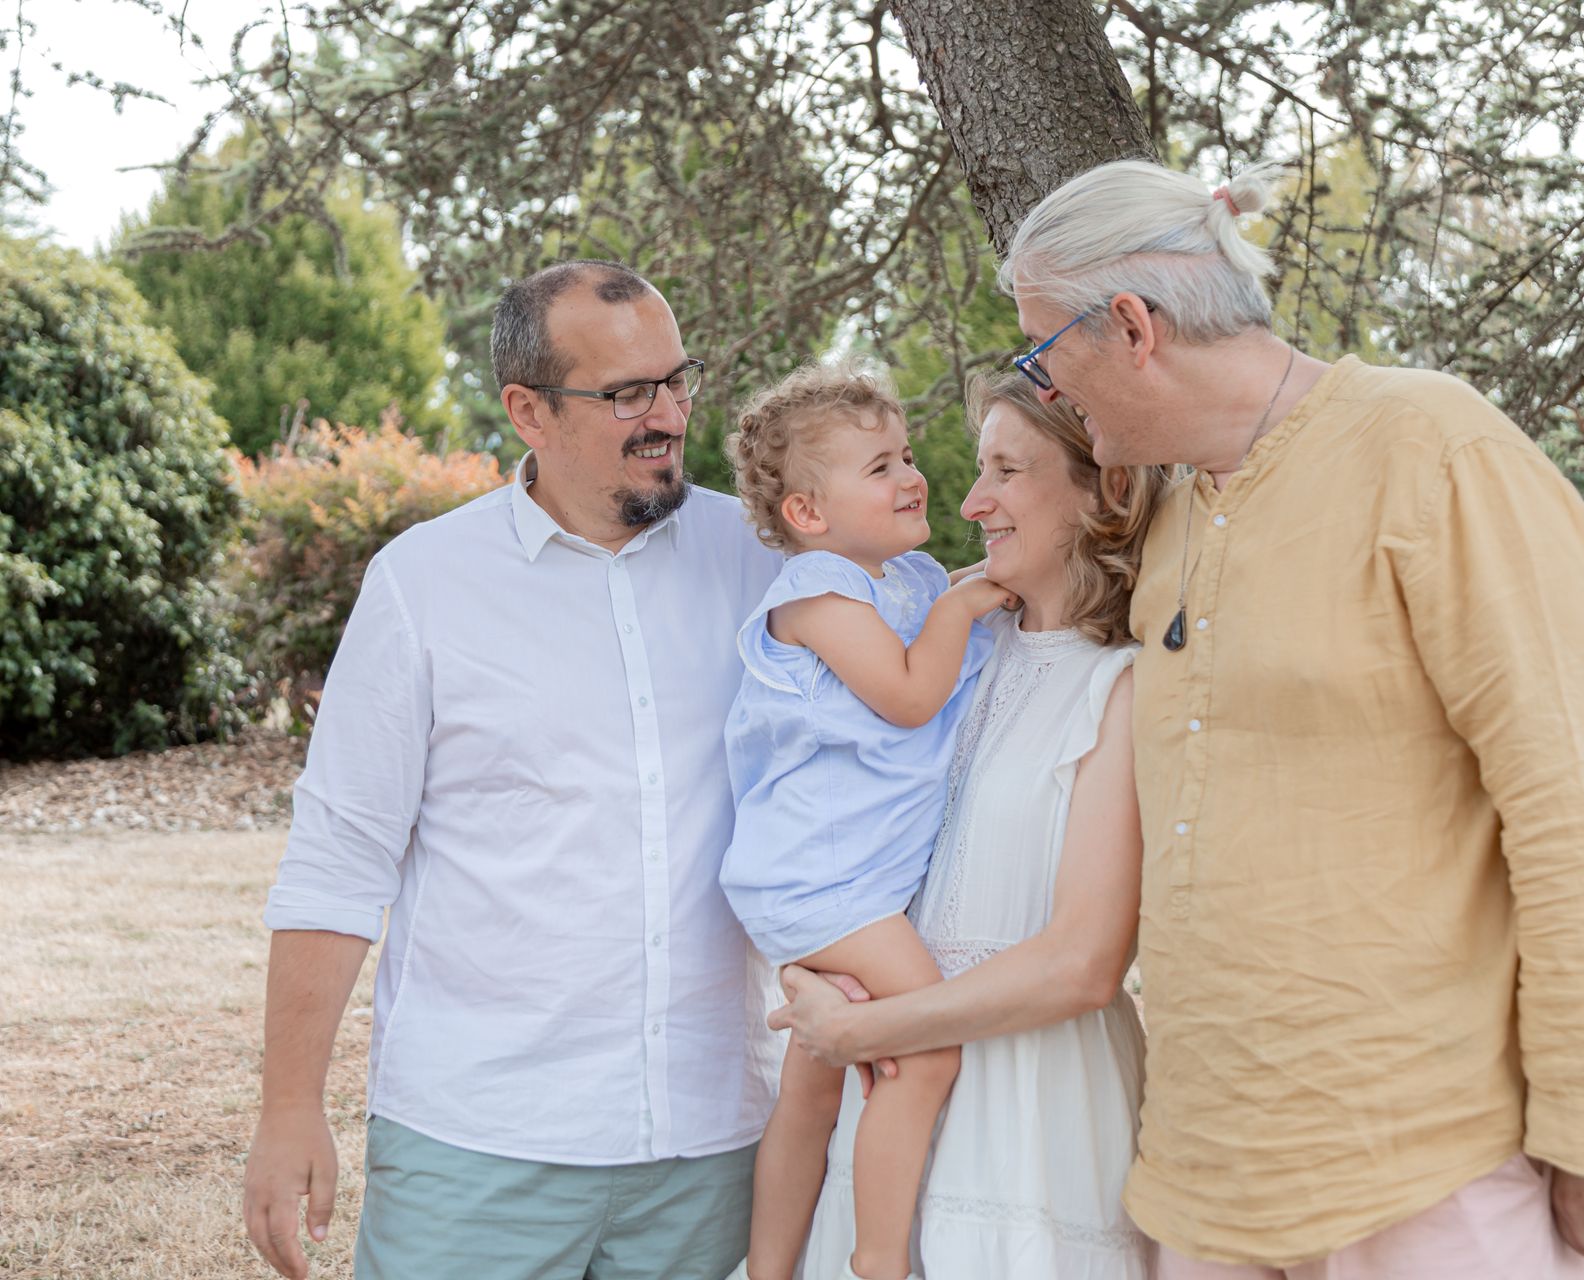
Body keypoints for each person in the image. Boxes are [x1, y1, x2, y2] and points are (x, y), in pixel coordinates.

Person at [997, 159, 1584, 1278]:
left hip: (1422, 1170)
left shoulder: (1436, 450)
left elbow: (1577, 809)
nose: (1045, 387)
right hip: (1203, 1181)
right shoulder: (1170, 510)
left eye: (1042, 353)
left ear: (1131, 326)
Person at [242, 260, 784, 1280]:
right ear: (527, 410)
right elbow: (340, 858)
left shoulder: (763, 559)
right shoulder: (422, 586)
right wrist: (287, 1108)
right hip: (476, 1146)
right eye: (627, 393)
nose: (667, 414)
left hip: (712, 1139)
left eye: (677, 379)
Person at [772, 371, 1172, 1279]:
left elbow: (1084, 964)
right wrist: (811, 954)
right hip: (891, 1086)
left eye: (1005, 472)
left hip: (1035, 1102)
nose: (969, 500)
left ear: (1103, 488)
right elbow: (826, 811)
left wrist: (867, 1035)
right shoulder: (945, 649)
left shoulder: (1126, 683)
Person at [718, 363, 1005, 1280]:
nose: (912, 476)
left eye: (908, 454)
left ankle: (769, 1270)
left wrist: (967, 587)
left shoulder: (908, 576)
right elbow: (914, 695)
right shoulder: (819, 596)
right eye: (880, 467)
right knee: (923, 1054)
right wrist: (969, 599)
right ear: (808, 514)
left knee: (813, 1084)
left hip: (851, 880)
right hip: (825, 882)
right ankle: (876, 1265)